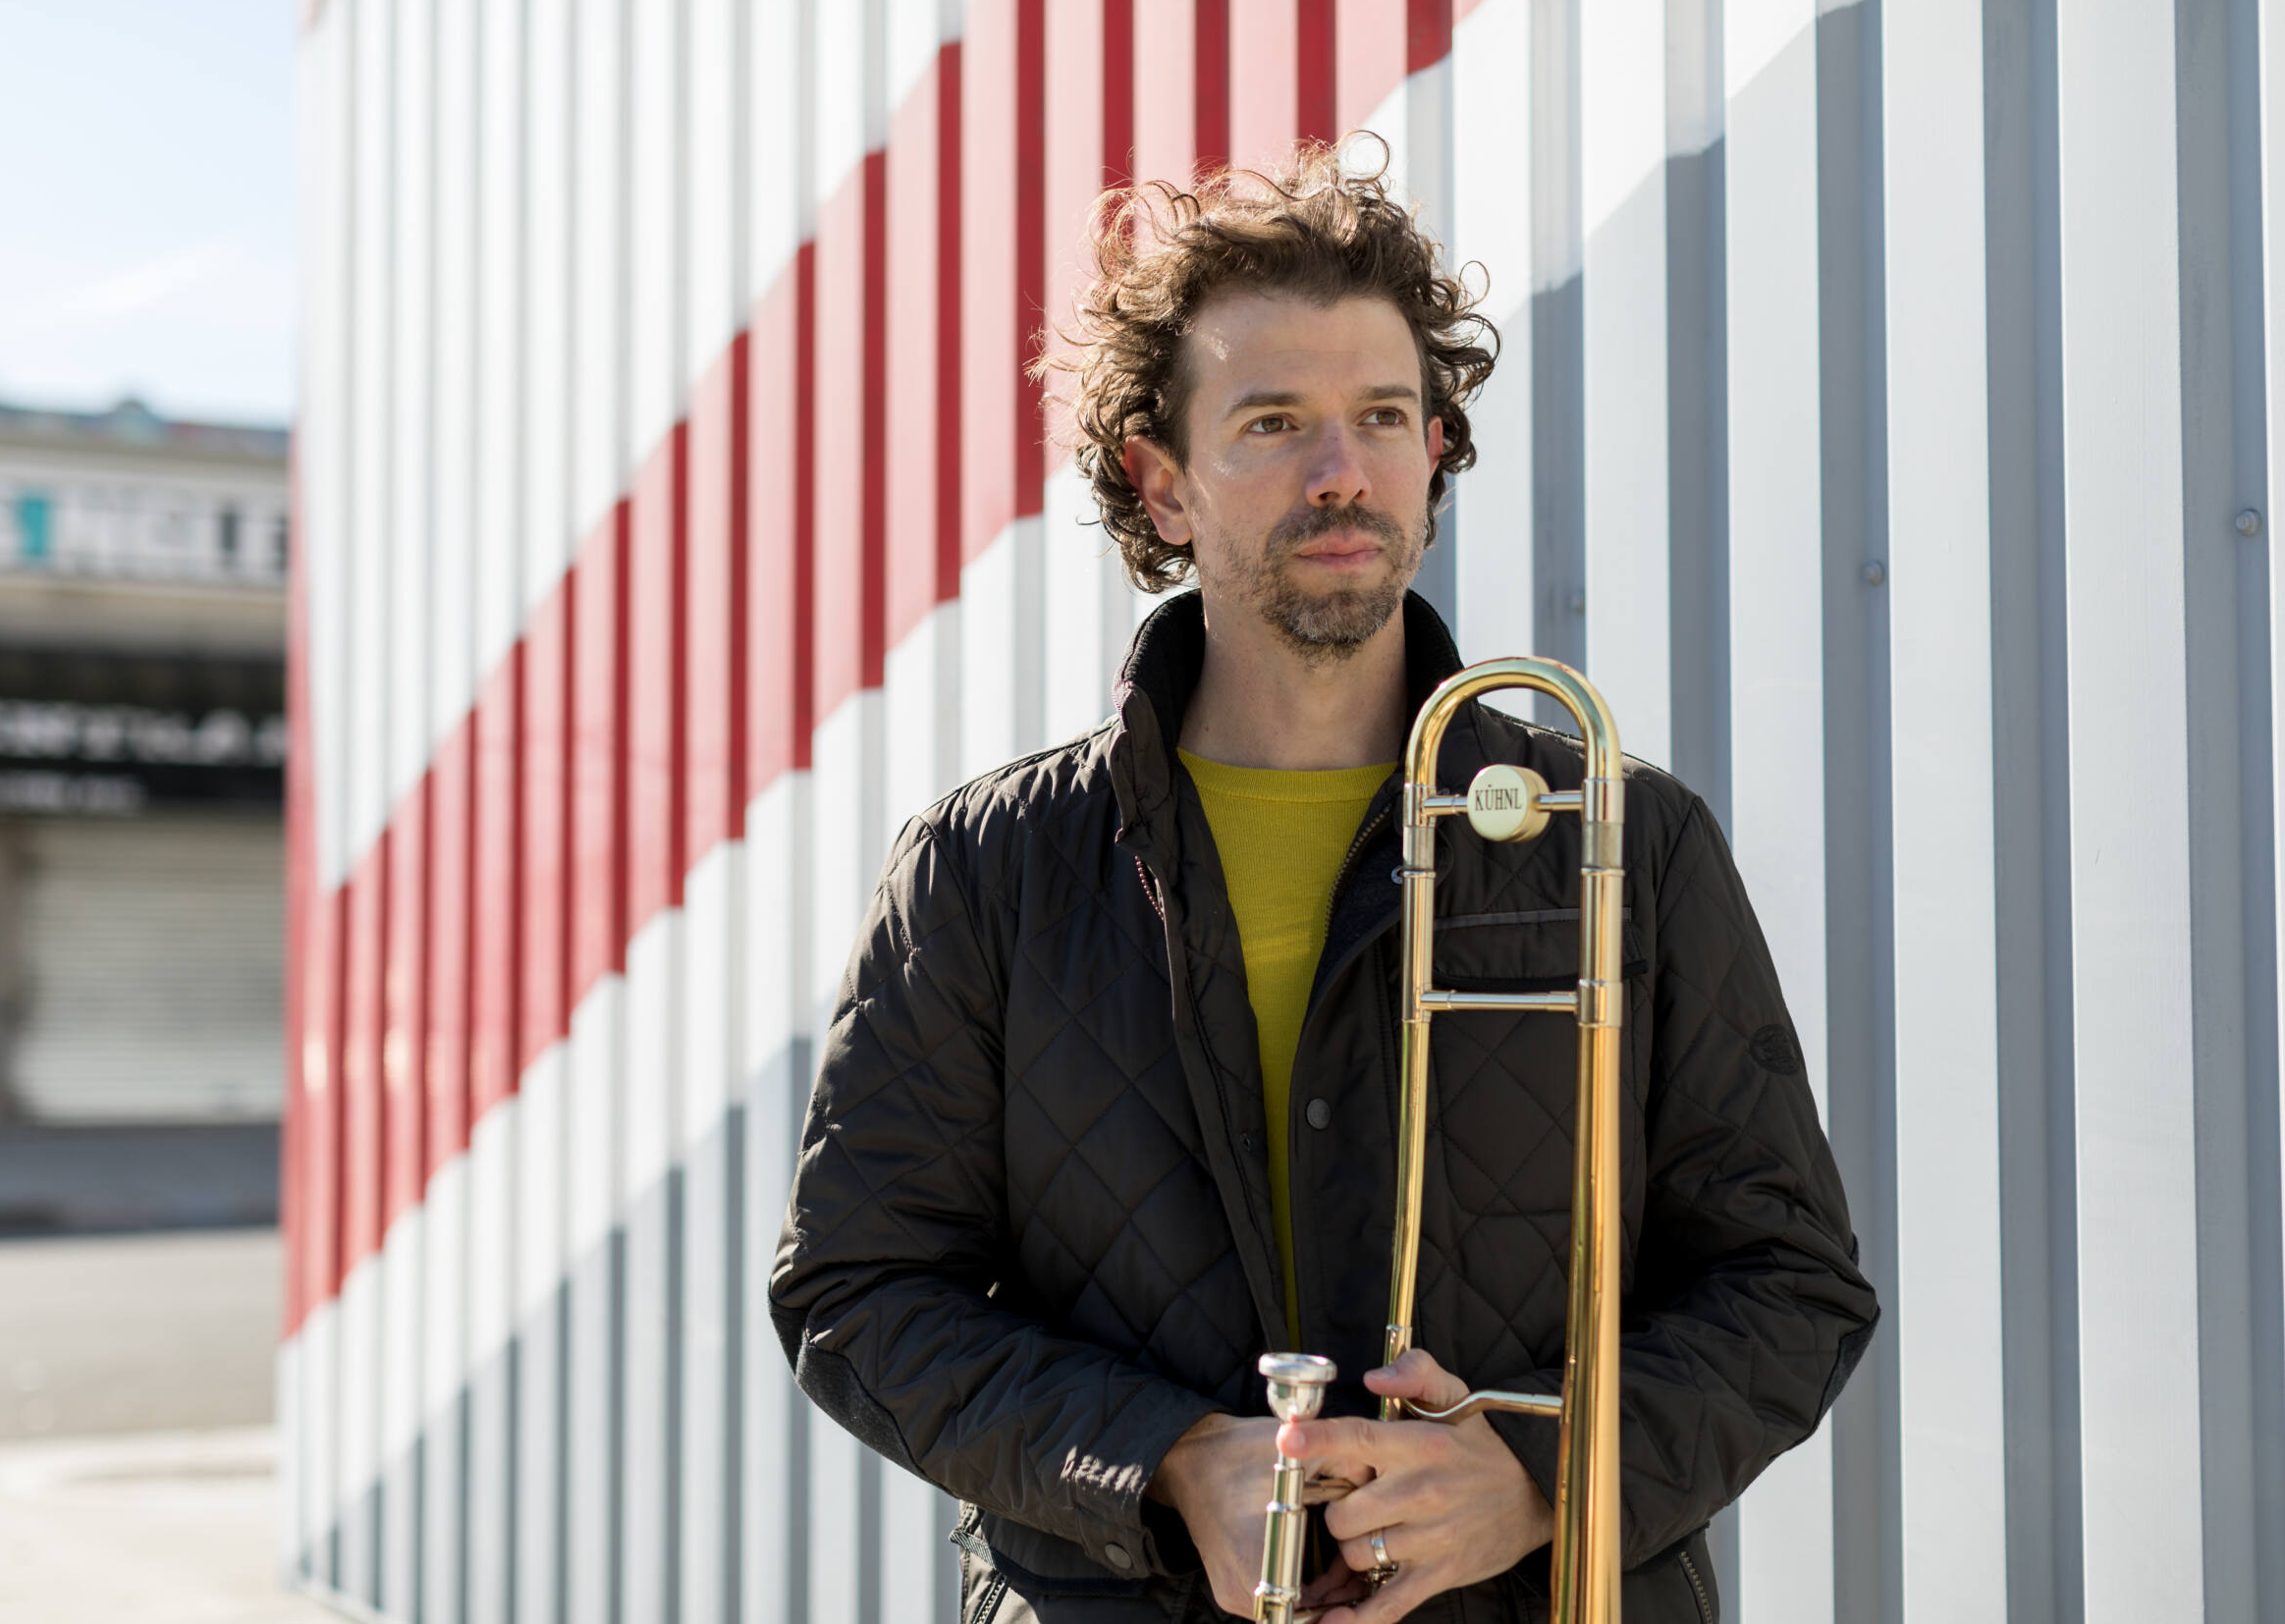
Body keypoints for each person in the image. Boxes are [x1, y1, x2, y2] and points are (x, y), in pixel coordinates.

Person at [769, 142, 1877, 1624]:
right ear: (1159, 485)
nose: (1340, 469)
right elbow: (859, 1292)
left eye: (1379, 417)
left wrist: (1544, 1475)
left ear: (1434, 450)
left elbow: (1788, 1285)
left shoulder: (1624, 839)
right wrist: (1163, 1463)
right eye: (1274, 423)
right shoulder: (984, 874)